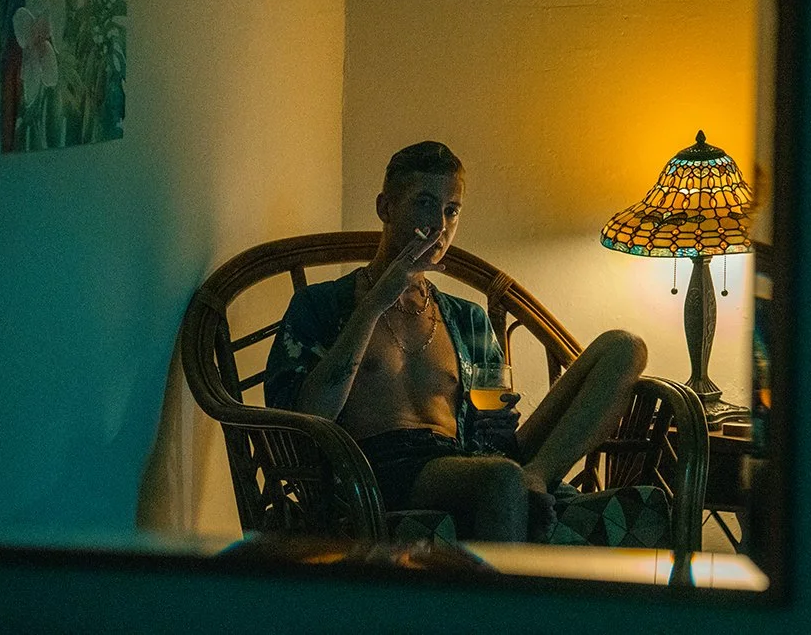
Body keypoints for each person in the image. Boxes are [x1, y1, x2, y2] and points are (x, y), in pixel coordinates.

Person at [264, 141, 647, 542]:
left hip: (469, 461)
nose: (439, 224)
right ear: (385, 208)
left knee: (625, 346)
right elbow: (308, 415)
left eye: (452, 210)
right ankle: (498, 591)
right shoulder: (321, 305)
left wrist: (496, 422)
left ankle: (536, 477)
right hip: (380, 471)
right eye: (425, 204)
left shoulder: (467, 318)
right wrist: (378, 300)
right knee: (500, 479)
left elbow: (491, 434)